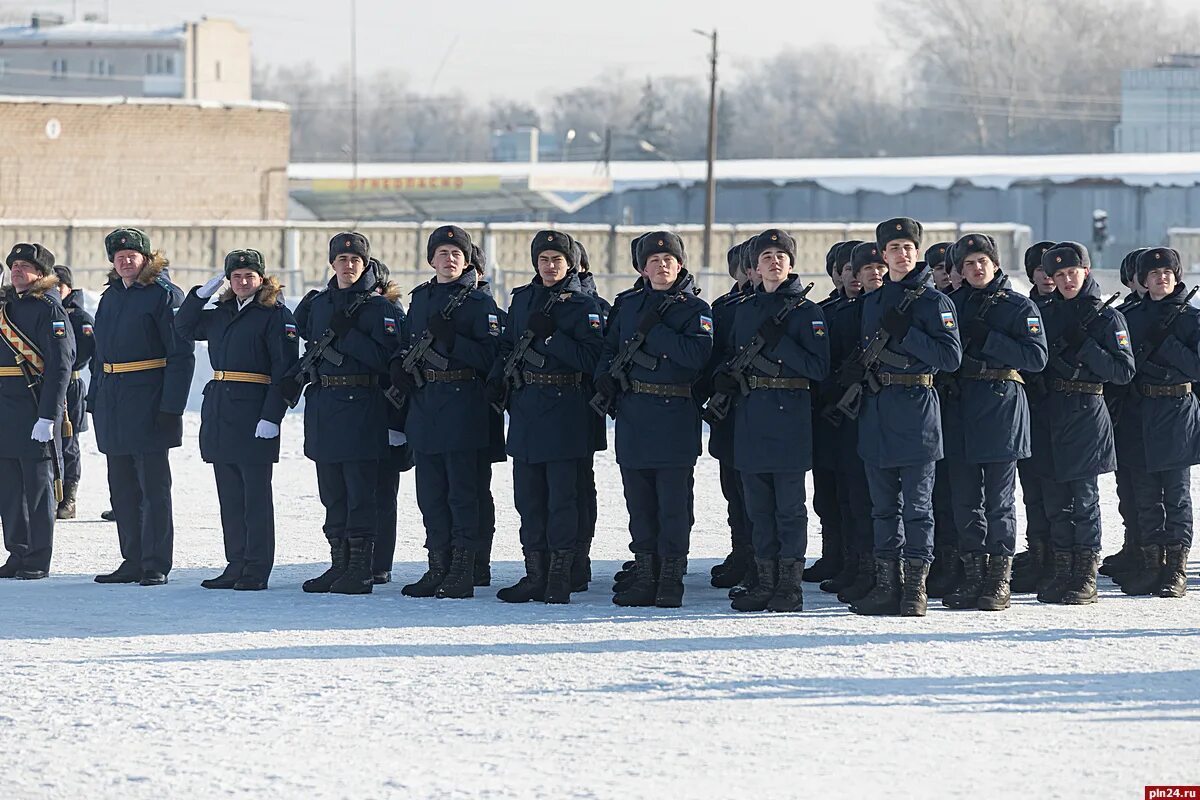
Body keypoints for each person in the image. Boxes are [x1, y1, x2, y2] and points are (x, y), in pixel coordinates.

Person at [843, 217, 962, 617]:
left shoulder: (933, 302)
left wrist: (908, 334)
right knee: (882, 508)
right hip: (878, 409)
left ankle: (915, 589)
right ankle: (886, 584)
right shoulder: (873, 301)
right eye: (894, 248)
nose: (901, 254)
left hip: (916, 409)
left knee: (917, 507)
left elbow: (950, 357)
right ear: (884, 254)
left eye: (908, 248)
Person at [595, 231, 713, 608]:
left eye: (669, 260)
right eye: (654, 261)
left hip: (675, 415)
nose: (662, 266)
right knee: (639, 501)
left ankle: (670, 578)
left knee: (674, 503)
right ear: (642, 268)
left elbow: (696, 358)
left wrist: (656, 331)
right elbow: (609, 348)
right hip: (634, 415)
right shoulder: (627, 306)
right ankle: (645, 572)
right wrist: (606, 378)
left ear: (680, 265)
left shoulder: (696, 310)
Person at [713, 229, 829, 612]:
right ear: (755, 267)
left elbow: (818, 368)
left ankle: (789, 586)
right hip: (751, 416)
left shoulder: (808, 313)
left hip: (790, 417)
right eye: (766, 257)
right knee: (757, 507)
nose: (774, 262)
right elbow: (726, 356)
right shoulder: (743, 310)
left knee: (790, 509)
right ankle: (764, 581)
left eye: (781, 256)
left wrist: (781, 343)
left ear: (791, 264)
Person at [174, 248, 300, 590]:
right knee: (230, 495)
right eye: (236, 276)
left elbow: (286, 369)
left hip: (255, 412)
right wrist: (200, 294)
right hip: (221, 412)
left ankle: (257, 567)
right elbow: (183, 326)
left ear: (261, 279)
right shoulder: (221, 312)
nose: (243, 282)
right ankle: (236, 563)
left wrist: (272, 416)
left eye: (249, 276)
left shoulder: (275, 315)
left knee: (254, 497)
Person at [488, 230, 603, 604]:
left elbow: (593, 360)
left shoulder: (584, 305)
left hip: (566, 410)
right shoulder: (522, 300)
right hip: (526, 410)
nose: (550, 266)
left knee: (563, 500)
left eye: (557, 259)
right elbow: (507, 346)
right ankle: (534, 573)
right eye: (544, 259)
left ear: (570, 263)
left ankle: (560, 574)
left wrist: (554, 339)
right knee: (529, 499)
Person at [390, 225, 501, 600]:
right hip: (426, 405)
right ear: (431, 259)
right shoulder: (420, 299)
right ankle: (437, 566)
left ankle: (463, 569)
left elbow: (491, 358)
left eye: (456, 253)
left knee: (462, 494)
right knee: (431, 495)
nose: (449, 259)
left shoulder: (478, 303)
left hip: (463, 406)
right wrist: (398, 366)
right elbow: (405, 342)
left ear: (467, 260)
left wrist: (454, 340)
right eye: (442, 253)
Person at [284, 233, 397, 595]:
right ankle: (340, 563)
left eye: (355, 260)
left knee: (360, 493)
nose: (348, 266)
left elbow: (389, 361)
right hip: (324, 407)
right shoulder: (318, 304)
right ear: (331, 263)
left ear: (365, 264)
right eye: (341, 259)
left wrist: (350, 338)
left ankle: (362, 568)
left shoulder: (381, 308)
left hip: (363, 407)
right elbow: (300, 338)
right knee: (332, 494)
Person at [939, 234, 1047, 612]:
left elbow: (1036, 359)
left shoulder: (1019, 306)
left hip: (1002, 407)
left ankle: (999, 580)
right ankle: (973, 576)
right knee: (965, 501)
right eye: (969, 263)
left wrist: (994, 340)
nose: (977, 268)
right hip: (961, 408)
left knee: (999, 502)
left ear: (996, 264)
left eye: (983, 261)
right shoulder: (949, 306)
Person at [90, 228, 195, 586]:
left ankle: (155, 562)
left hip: (149, 400)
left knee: (152, 487)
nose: (125, 260)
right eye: (118, 256)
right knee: (122, 487)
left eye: (132, 255)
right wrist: (95, 398)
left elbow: (181, 355)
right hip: (113, 403)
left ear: (146, 258)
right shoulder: (111, 297)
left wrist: (172, 407)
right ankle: (132, 558)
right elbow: (100, 355)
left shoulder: (163, 295)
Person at [1033, 241, 1134, 605]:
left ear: (1086, 272)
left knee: (1083, 498)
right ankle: (1062, 570)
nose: (1066, 280)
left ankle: (1085, 573)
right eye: (1058, 275)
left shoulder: (1108, 318)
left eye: (1072, 272)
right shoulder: (1043, 313)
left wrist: (1088, 347)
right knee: (1055, 499)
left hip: (1087, 409)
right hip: (1050, 410)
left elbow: (1123, 372)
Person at [1113, 246, 1198, 598]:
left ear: (1176, 276)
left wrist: (1166, 346)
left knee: (1176, 495)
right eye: (1153, 273)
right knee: (1145, 495)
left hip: (1176, 410)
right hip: (1139, 410)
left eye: (1167, 272)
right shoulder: (1128, 317)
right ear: (1143, 281)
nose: (1161, 277)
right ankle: (1150, 564)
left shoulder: (1192, 319)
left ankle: (1175, 568)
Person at [0, 243, 74, 580]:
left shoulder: (49, 309)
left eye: (25, 266)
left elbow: (60, 366)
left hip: (33, 408)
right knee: (10, 489)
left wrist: (49, 416)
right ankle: (17, 552)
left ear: (41, 273)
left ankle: (38, 557)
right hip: (5, 409)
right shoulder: (5, 308)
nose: (17, 270)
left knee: (38, 488)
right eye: (14, 265)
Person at [828, 242, 887, 604]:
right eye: (853, 270)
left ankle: (876, 571)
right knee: (850, 497)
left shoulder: (884, 307)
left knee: (875, 500)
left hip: (883, 412)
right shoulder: (845, 311)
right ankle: (857, 564)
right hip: (847, 414)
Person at [1010, 241, 1060, 594]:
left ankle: (1059, 557)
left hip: (1062, 411)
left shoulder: (1069, 308)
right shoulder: (1025, 308)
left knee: (1059, 491)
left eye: (1052, 270)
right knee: (1032, 490)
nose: (1047, 276)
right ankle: (1039, 551)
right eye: (1039, 270)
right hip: (1026, 408)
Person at [707, 241, 755, 590]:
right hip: (728, 407)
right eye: (741, 266)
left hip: (759, 407)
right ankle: (741, 551)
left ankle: (757, 558)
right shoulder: (722, 307)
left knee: (757, 491)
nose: (747, 271)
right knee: (733, 490)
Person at [1100, 248, 1149, 584]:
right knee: (1129, 487)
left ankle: (1154, 553)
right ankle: (1136, 545)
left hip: (1164, 407)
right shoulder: (1124, 314)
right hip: (1128, 407)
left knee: (1161, 491)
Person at [365, 258, 412, 585]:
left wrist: (398, 424)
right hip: (359, 413)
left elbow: (398, 371)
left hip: (386, 414)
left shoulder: (394, 316)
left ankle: (380, 561)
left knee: (383, 493)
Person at [804, 240, 848, 584]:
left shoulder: (873, 308)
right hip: (825, 412)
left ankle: (856, 561)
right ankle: (833, 554)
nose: (854, 277)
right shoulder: (823, 312)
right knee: (827, 493)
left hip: (860, 412)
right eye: (846, 269)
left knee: (857, 494)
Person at [52, 264, 94, 520]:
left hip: (71, 386)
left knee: (69, 443)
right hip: (47, 384)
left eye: (60, 286)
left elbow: (88, 349)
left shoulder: (79, 317)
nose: (56, 290)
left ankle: (68, 497)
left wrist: (67, 365)